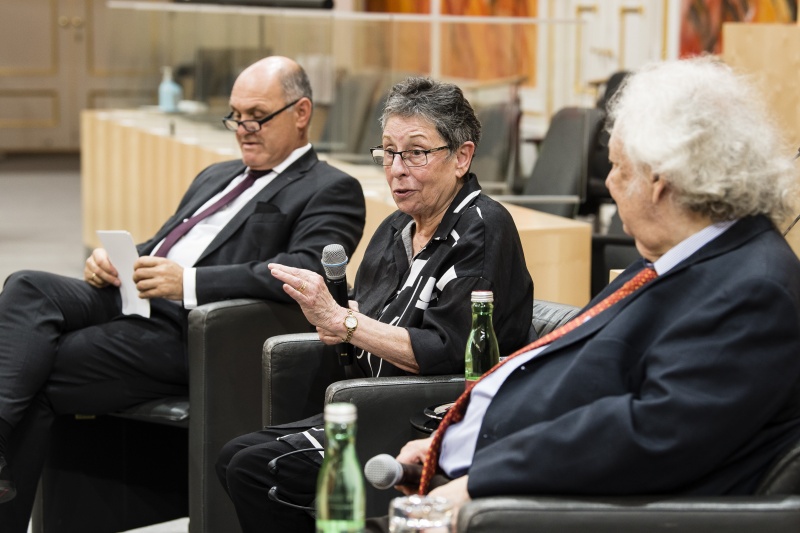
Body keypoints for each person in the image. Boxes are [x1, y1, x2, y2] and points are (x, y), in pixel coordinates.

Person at [380, 56, 800, 525]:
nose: (613, 188)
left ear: (660, 182)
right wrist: (452, 436)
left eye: (618, 169)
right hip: (473, 472)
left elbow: (650, 435)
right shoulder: (678, 255)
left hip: (525, 507)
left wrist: (480, 479)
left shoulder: (754, 290)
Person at [0, 56, 367, 530]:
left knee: (37, 364)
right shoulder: (216, 175)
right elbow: (165, 244)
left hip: (193, 331)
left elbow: (307, 268)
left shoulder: (331, 188)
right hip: (133, 297)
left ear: (300, 113)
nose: (242, 128)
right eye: (235, 115)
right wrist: (117, 259)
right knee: (27, 285)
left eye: (256, 116)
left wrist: (188, 283)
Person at [215, 76, 534, 533]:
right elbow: (367, 318)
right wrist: (335, 319)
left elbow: (447, 350)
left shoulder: (483, 229)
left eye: (416, 153)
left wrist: (343, 321)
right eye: (388, 151)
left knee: (256, 470)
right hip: (367, 399)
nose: (397, 168)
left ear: (461, 156)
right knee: (232, 458)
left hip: (421, 419)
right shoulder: (394, 229)